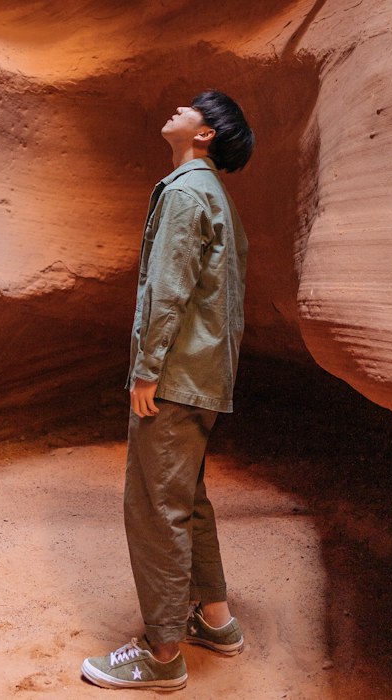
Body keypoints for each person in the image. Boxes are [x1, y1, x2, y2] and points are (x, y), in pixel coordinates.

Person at [81, 90, 254, 692]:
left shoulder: (184, 192)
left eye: (191, 107)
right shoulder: (217, 199)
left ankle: (162, 657)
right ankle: (217, 622)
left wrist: (147, 368)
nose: (178, 109)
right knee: (186, 498)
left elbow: (168, 289)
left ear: (205, 135)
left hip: (175, 377)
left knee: (155, 508)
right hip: (205, 376)